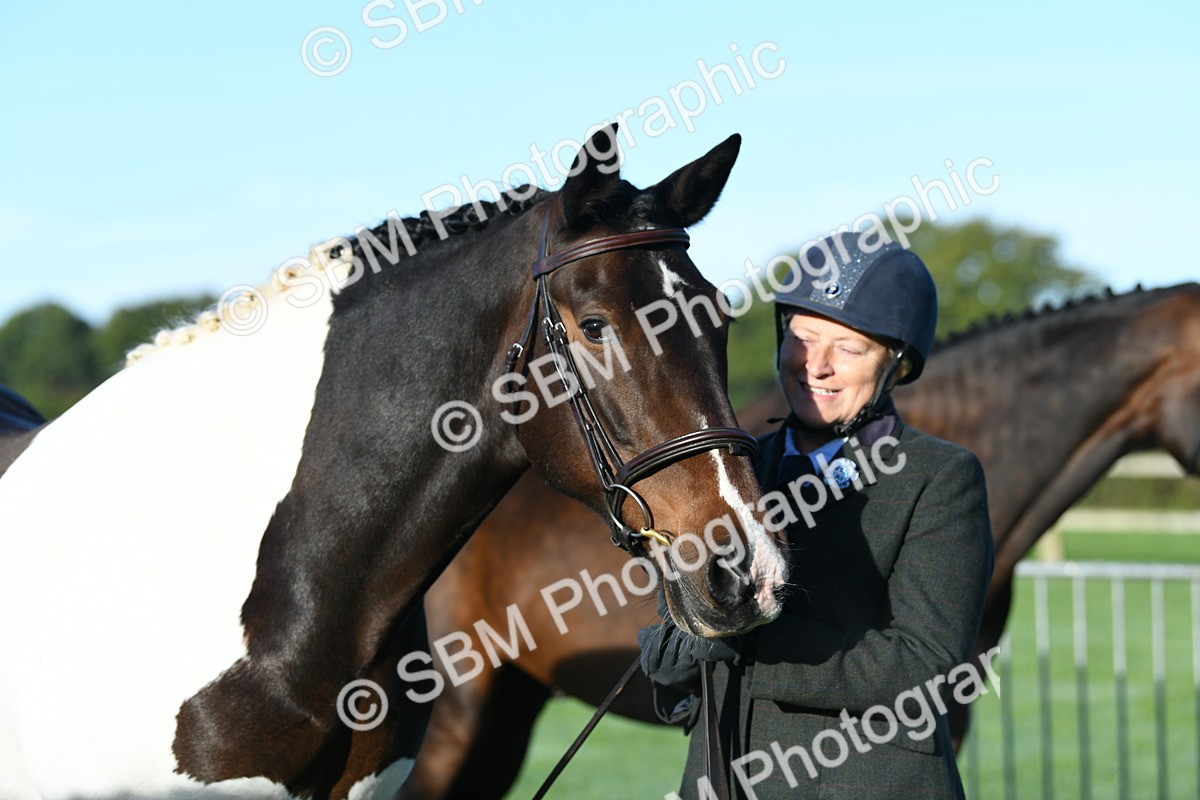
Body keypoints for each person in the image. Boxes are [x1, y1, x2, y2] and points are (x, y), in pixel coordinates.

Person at [639, 232, 995, 799]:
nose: (817, 367)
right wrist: (675, 648)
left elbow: (925, 663)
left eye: (849, 350)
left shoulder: (941, 477)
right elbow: (683, 634)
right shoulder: (735, 471)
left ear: (896, 367)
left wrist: (748, 645)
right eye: (803, 340)